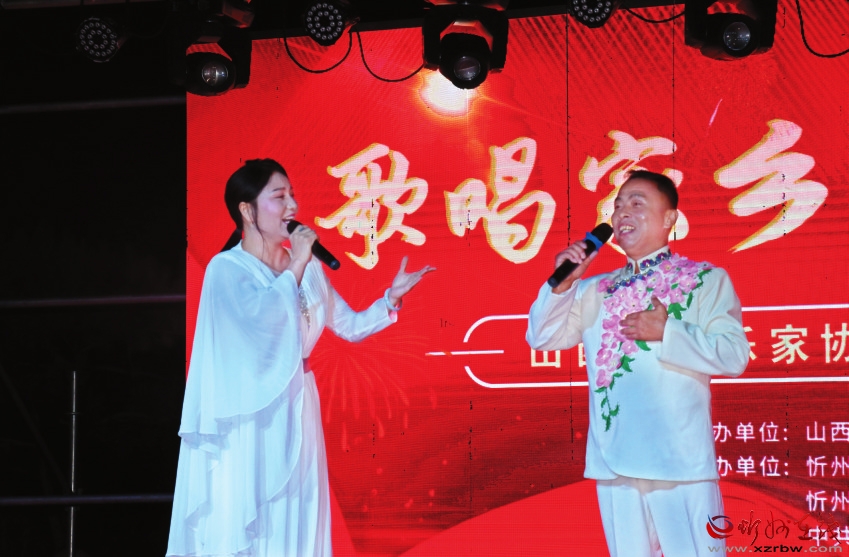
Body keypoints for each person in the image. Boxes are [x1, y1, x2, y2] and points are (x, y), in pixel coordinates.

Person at [167, 159, 435, 557]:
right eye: (279, 197)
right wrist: (297, 262)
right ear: (247, 210)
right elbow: (262, 324)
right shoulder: (227, 270)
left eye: (292, 195)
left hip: (300, 401)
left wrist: (390, 299)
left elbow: (349, 325)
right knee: (257, 515)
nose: (292, 206)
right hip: (252, 416)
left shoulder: (308, 269)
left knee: (300, 512)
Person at [526, 170, 749, 557]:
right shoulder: (594, 289)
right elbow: (542, 338)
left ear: (669, 218)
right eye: (617, 206)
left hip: (679, 461)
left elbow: (734, 355)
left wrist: (669, 332)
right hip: (614, 461)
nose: (622, 213)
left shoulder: (705, 279)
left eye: (636, 203)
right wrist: (562, 286)